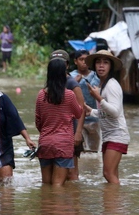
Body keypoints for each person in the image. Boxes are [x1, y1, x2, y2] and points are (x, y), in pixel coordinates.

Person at [35, 58, 84, 186]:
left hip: (45, 143)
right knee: (58, 186)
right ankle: (56, 206)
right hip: (63, 144)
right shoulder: (69, 95)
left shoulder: (41, 95)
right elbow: (79, 113)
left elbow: (38, 122)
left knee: (46, 184)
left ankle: (46, 206)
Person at [84, 49, 130, 184]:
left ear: (111, 67)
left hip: (117, 134)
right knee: (112, 174)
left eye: (105, 62)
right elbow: (106, 113)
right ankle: (114, 203)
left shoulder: (111, 85)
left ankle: (113, 203)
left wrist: (98, 98)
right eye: (98, 62)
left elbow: (115, 112)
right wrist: (91, 111)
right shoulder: (102, 84)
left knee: (108, 173)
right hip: (109, 135)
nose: (101, 66)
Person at [50, 50, 86, 181]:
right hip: (55, 134)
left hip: (71, 132)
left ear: (66, 65)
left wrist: (78, 133)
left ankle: (74, 199)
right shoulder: (51, 84)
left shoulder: (72, 84)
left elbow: (81, 111)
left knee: (72, 173)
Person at [70, 49, 101, 153]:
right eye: (81, 59)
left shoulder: (96, 76)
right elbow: (64, 93)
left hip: (94, 118)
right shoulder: (71, 76)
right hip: (77, 119)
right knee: (79, 150)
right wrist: (74, 82)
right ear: (75, 61)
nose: (83, 62)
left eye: (86, 59)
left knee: (93, 151)